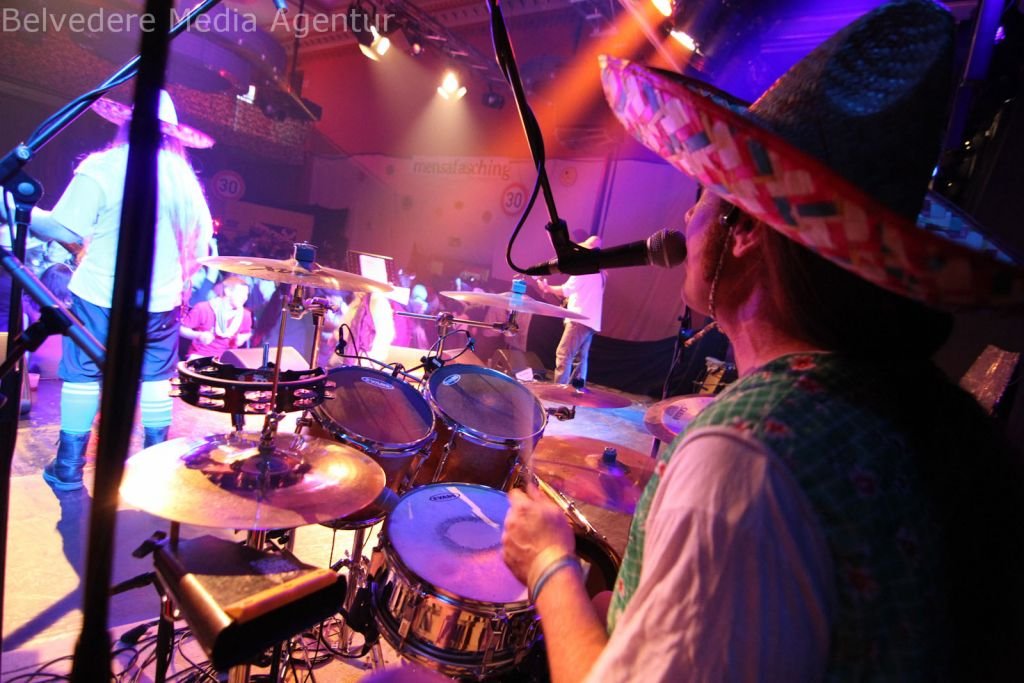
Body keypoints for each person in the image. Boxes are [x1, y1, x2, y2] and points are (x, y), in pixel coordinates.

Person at [501, 2, 1024, 681]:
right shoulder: (909, 413)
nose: (688, 217)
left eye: (704, 196)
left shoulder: (743, 458)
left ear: (744, 230)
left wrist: (549, 565)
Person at [27, 89, 213, 492]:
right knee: (154, 380)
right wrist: (172, 280)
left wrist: (25, 210)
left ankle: (69, 467)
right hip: (160, 303)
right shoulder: (185, 181)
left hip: (100, 294)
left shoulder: (105, 166)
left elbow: (64, 227)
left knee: (83, 376)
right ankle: (154, 469)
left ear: (126, 124)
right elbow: (200, 251)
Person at [535, 235, 605, 388]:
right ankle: (577, 390)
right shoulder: (600, 273)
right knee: (580, 359)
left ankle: (559, 392)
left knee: (564, 354)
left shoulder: (584, 270)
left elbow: (566, 290)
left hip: (578, 320)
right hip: (591, 322)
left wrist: (547, 288)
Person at [179, 276, 253, 358]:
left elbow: (247, 333)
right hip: (201, 355)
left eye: (246, 295)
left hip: (227, 358)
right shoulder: (203, 308)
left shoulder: (245, 314)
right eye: (241, 294)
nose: (244, 298)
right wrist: (198, 335)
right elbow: (181, 329)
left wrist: (242, 338)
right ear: (228, 291)